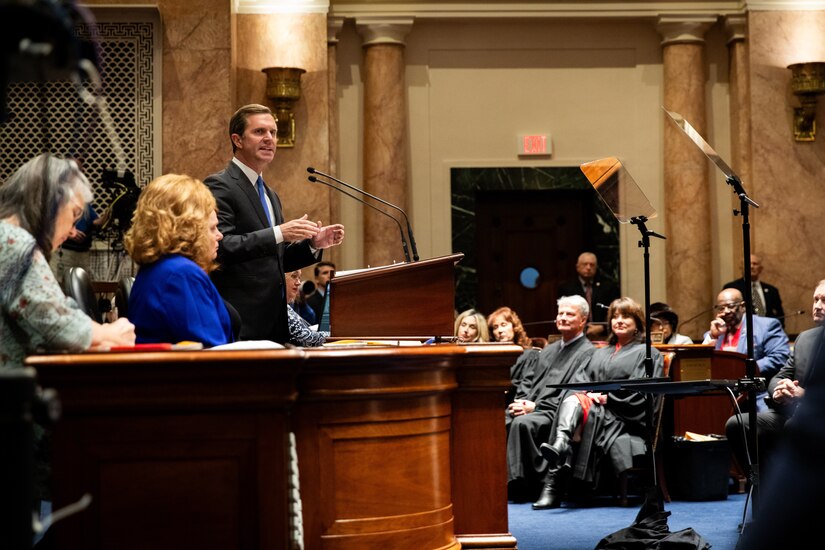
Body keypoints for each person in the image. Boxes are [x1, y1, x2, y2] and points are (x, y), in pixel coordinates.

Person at [204, 104, 345, 344]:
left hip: (275, 321)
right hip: (242, 319)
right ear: (237, 140)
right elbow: (222, 247)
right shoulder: (220, 185)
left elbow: (277, 260)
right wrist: (279, 232)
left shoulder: (270, 194)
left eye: (274, 132)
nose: (269, 139)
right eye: (259, 132)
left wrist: (312, 245)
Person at [0, 153, 136, 370]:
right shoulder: (16, 242)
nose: (73, 231)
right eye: (74, 214)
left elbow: (55, 310)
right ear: (52, 203)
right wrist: (111, 332)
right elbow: (56, 324)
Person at [537, 297, 663, 509]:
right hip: (593, 410)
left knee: (575, 402)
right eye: (615, 317)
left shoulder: (648, 353)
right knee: (574, 397)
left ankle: (555, 474)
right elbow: (579, 379)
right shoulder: (599, 352)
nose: (619, 321)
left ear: (638, 323)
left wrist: (607, 398)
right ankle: (561, 445)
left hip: (622, 416)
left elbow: (643, 394)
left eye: (626, 317)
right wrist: (588, 393)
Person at [724, 279, 825, 485]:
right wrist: (780, 389)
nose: (817, 305)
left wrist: (804, 395)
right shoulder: (805, 338)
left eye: (824, 300)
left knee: (795, 426)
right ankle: (765, 491)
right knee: (738, 424)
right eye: (815, 299)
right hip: (791, 414)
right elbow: (780, 375)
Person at [124, 174, 237, 347]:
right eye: (212, 228)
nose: (219, 235)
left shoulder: (161, 268)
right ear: (187, 230)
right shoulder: (180, 274)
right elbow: (211, 357)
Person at [505, 295, 595, 507]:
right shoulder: (549, 350)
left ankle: (523, 486)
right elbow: (527, 380)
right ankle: (503, 482)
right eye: (560, 313)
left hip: (553, 412)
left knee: (522, 424)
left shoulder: (588, 353)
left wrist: (534, 406)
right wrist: (521, 402)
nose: (562, 318)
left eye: (569, 314)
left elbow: (574, 393)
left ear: (583, 320)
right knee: (503, 420)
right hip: (530, 407)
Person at [703, 287, 790, 411]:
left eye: (730, 306)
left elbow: (780, 357)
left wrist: (742, 369)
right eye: (721, 308)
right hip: (722, 395)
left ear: (743, 306)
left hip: (756, 395)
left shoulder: (766, 326)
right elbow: (704, 364)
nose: (726, 311)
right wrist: (713, 337)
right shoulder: (715, 332)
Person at [557, 251, 620, 340]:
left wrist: (602, 327)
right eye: (585, 264)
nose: (588, 267)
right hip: (576, 334)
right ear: (577, 267)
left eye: (592, 265)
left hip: (604, 335)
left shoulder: (608, 287)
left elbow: (614, 310)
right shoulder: (566, 288)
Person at [723, 254, 785, 327]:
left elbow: (780, 315)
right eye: (748, 263)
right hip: (743, 332)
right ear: (741, 267)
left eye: (755, 264)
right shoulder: (731, 288)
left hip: (769, 332)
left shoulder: (772, 290)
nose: (751, 266)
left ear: (761, 268)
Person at [49, 203, 101, 283]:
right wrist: (68, 232)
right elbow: (49, 224)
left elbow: (95, 221)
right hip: (64, 252)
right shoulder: (58, 201)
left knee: (81, 284)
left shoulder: (84, 204)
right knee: (60, 284)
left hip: (83, 254)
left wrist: (109, 214)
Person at [285, 270, 328, 347]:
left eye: (299, 278)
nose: (299, 283)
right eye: (294, 276)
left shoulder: (285, 305)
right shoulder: (276, 304)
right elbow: (305, 338)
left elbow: (310, 316)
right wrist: (335, 333)